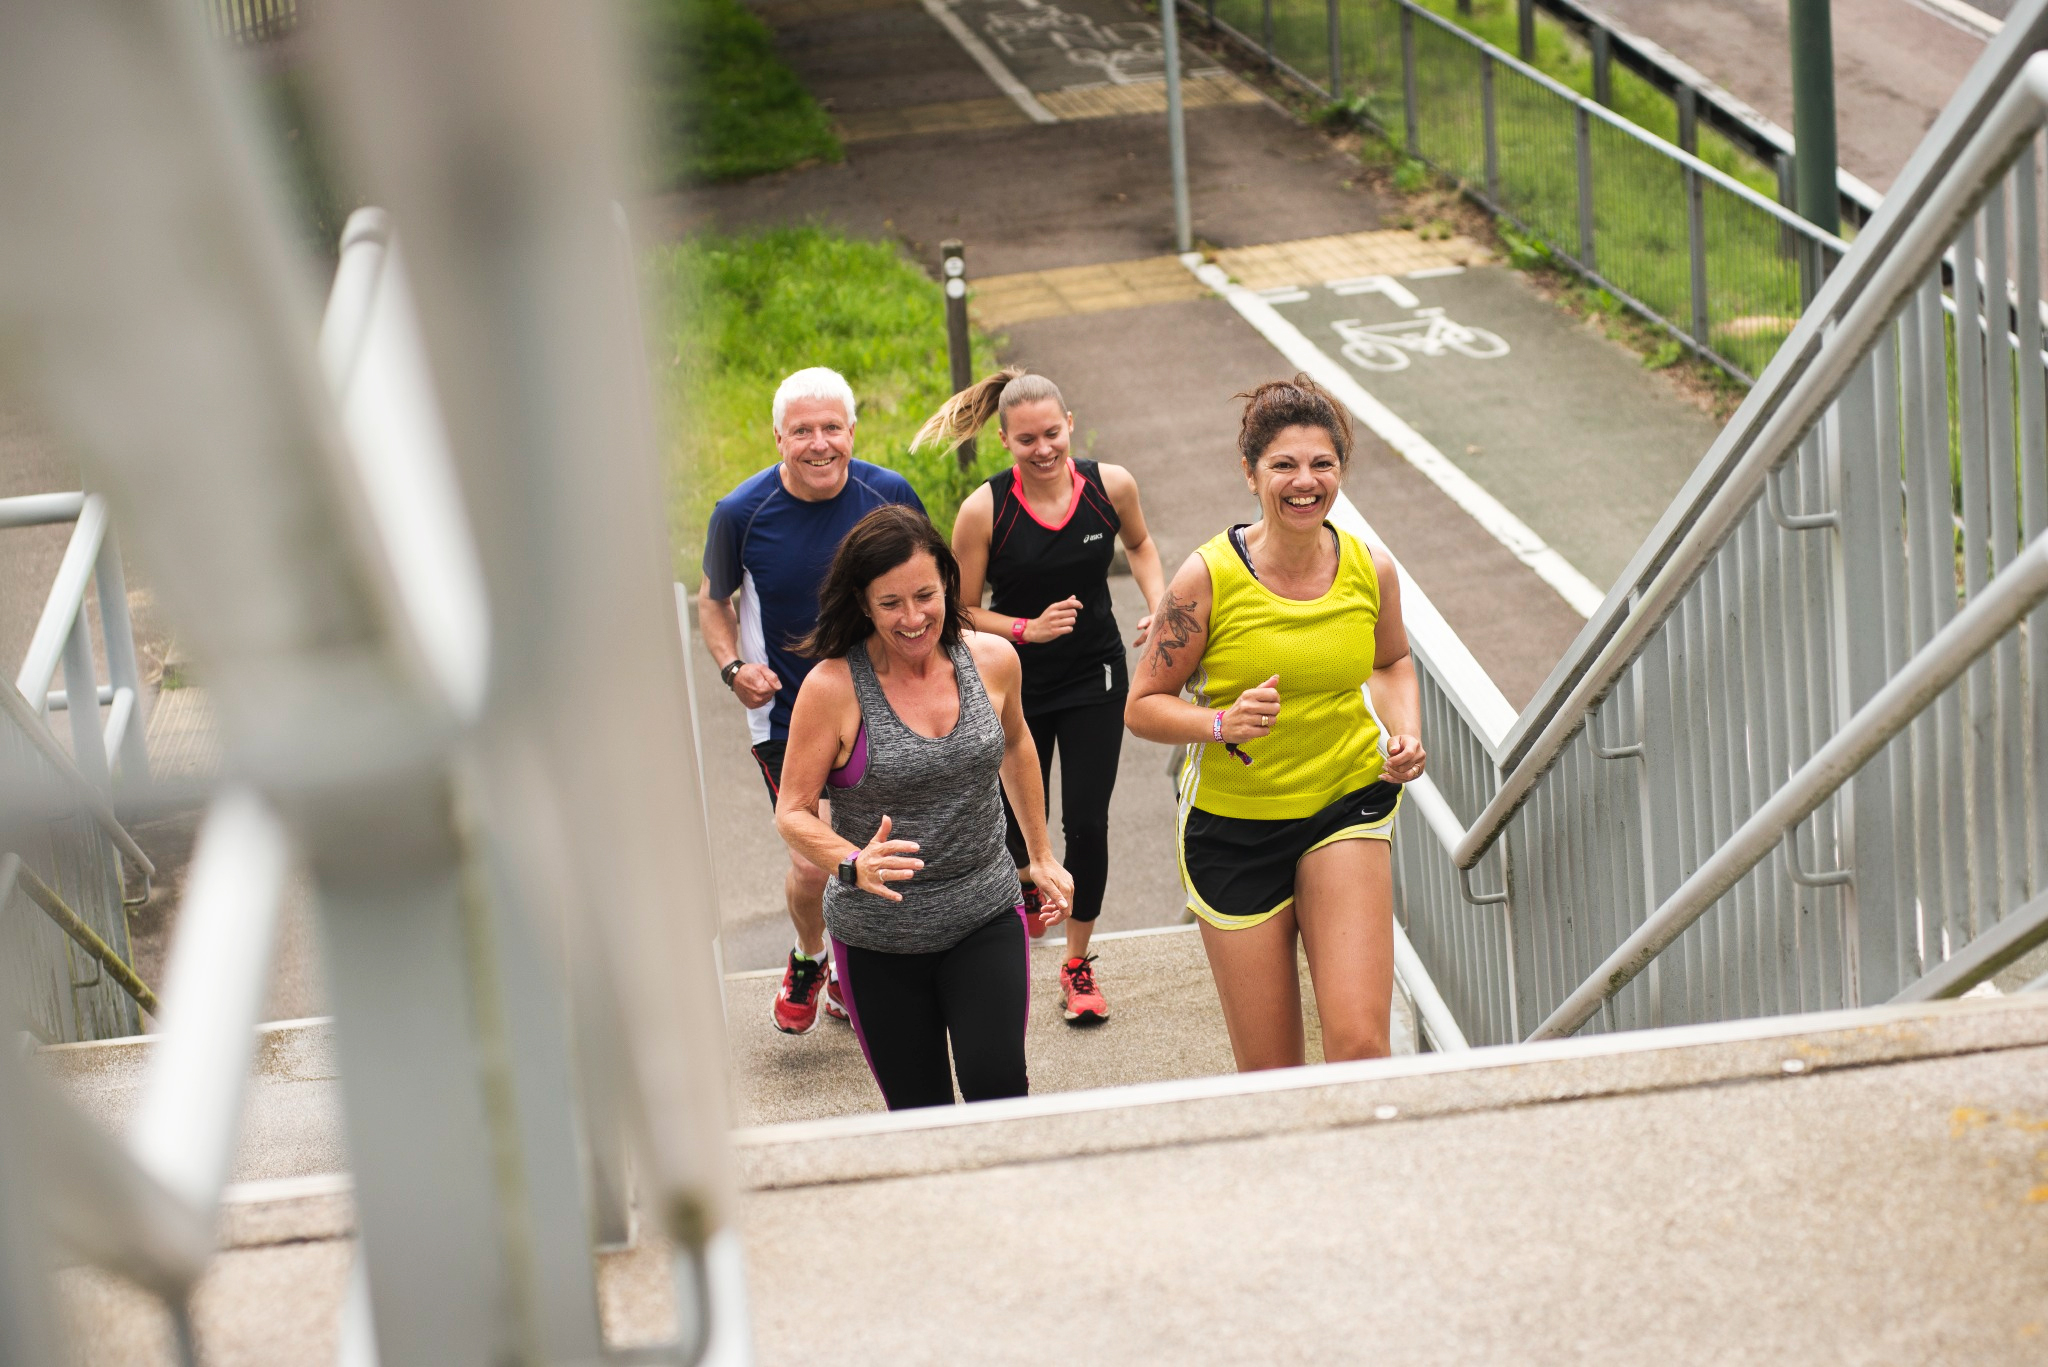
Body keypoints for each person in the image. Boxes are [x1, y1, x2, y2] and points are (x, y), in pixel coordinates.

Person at [1124, 375, 1426, 1071]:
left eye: (1322, 463)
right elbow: (1142, 706)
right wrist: (1220, 722)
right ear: (1250, 473)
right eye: (1283, 464)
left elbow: (1392, 661)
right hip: (1233, 830)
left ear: (1340, 472)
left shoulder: (1369, 567)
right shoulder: (1205, 578)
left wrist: (1403, 731)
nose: (1304, 481)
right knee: (1273, 1075)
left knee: (1360, 1047)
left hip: (1343, 803)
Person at [774, 506, 1075, 1109]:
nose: (912, 618)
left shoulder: (992, 659)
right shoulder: (832, 688)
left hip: (982, 910)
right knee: (921, 1116)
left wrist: (1039, 854)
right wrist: (851, 862)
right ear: (862, 603)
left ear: (949, 584)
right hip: (879, 936)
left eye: (926, 596)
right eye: (890, 604)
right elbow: (793, 810)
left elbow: (1016, 741)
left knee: (999, 1090)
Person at [917, 370, 1164, 1026]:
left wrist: (1160, 599)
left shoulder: (1111, 486)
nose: (1043, 448)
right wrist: (1026, 628)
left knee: (1086, 823)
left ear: (1070, 423)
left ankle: (1077, 964)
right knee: (1018, 831)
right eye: (1026, 439)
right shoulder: (983, 510)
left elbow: (1138, 544)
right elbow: (960, 611)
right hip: (1012, 685)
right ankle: (1025, 898)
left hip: (1095, 679)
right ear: (1003, 440)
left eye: (1052, 433)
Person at [698, 367, 925, 1036]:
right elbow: (713, 603)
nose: (819, 443)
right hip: (788, 715)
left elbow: (929, 585)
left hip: (885, 707)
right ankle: (810, 955)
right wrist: (732, 665)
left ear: (853, 431)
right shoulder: (740, 512)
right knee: (811, 857)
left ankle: (858, 970)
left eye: (832, 428)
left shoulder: (889, 495)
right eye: (803, 431)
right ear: (778, 438)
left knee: (875, 848)